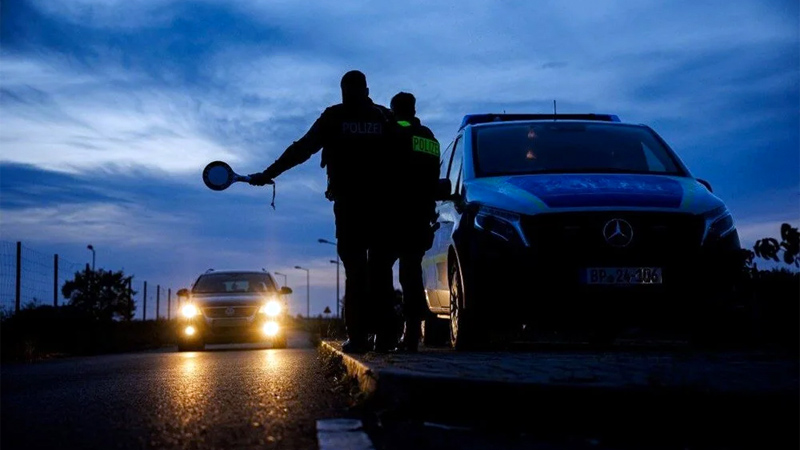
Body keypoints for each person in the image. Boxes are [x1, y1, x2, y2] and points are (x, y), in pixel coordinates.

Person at [247, 70, 401, 354]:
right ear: (367, 90)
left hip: (351, 205)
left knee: (356, 273)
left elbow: (302, 149)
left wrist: (270, 173)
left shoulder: (334, 117)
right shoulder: (383, 117)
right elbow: (403, 159)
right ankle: (385, 337)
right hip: (383, 207)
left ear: (344, 91)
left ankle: (358, 338)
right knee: (380, 272)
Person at [386, 92, 441, 353]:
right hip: (420, 215)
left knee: (382, 272)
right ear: (414, 108)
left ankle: (385, 333)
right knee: (411, 275)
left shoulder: (389, 134)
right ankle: (411, 334)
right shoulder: (429, 138)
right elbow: (433, 176)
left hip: (392, 214)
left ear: (394, 109)